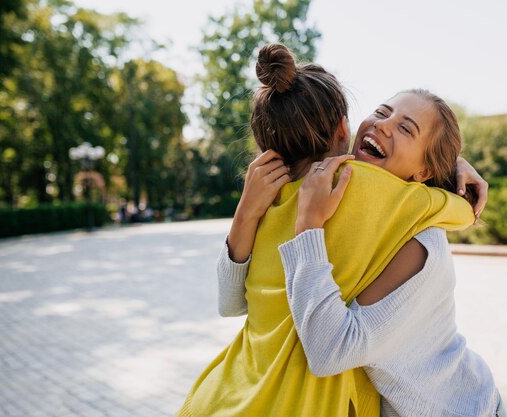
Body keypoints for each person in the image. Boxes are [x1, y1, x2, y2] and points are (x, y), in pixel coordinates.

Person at [175, 43, 490, 417]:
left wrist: (247, 213)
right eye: (380, 112)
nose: (381, 125)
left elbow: (230, 303)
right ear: (345, 126)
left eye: (405, 127)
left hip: (447, 406)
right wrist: (458, 186)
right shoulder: (394, 207)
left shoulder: (275, 202)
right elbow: (461, 208)